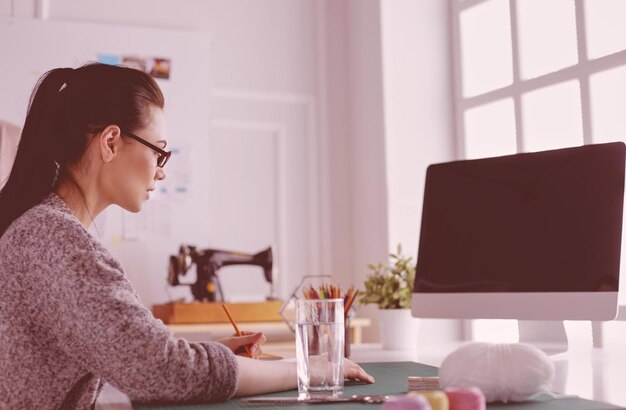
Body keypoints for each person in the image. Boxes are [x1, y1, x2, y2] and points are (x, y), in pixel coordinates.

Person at [0, 63, 374, 409]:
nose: (161, 172)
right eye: (159, 153)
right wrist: (314, 368)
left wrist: (200, 354)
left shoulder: (47, 232)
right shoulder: (54, 240)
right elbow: (159, 371)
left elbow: (139, 360)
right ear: (110, 142)